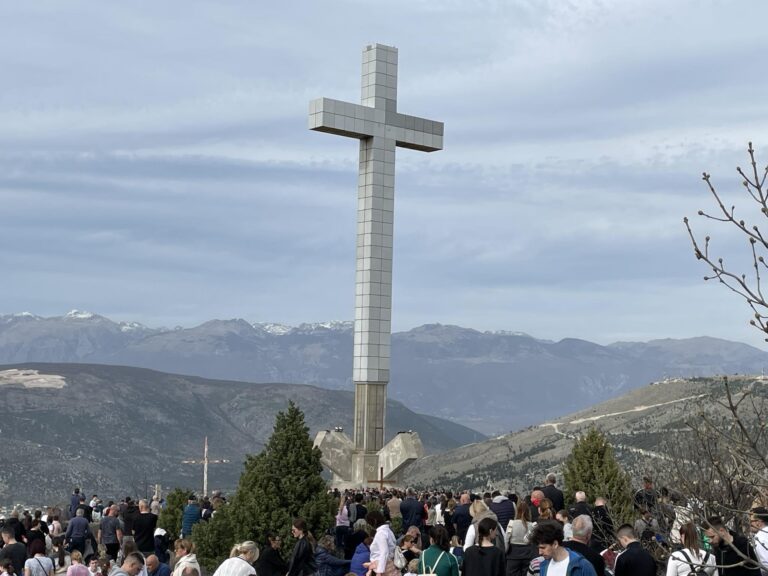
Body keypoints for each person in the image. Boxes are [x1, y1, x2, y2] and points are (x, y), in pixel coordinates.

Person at [529, 520, 596, 576]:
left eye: (543, 548)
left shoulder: (582, 566)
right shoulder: (543, 565)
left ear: (555, 544)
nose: (540, 552)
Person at [505, 499, 536, 576]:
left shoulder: (511, 524)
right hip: (528, 554)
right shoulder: (532, 525)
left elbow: (506, 540)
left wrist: (505, 552)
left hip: (513, 555)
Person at [364, 511, 398, 576]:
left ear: (374, 521)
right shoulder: (388, 531)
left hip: (382, 568)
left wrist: (379, 572)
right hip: (388, 564)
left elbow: (384, 552)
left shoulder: (381, 533)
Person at [749, 507, 768, 575]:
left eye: (751, 521)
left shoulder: (759, 538)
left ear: (758, 522)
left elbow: (764, 564)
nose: (749, 524)